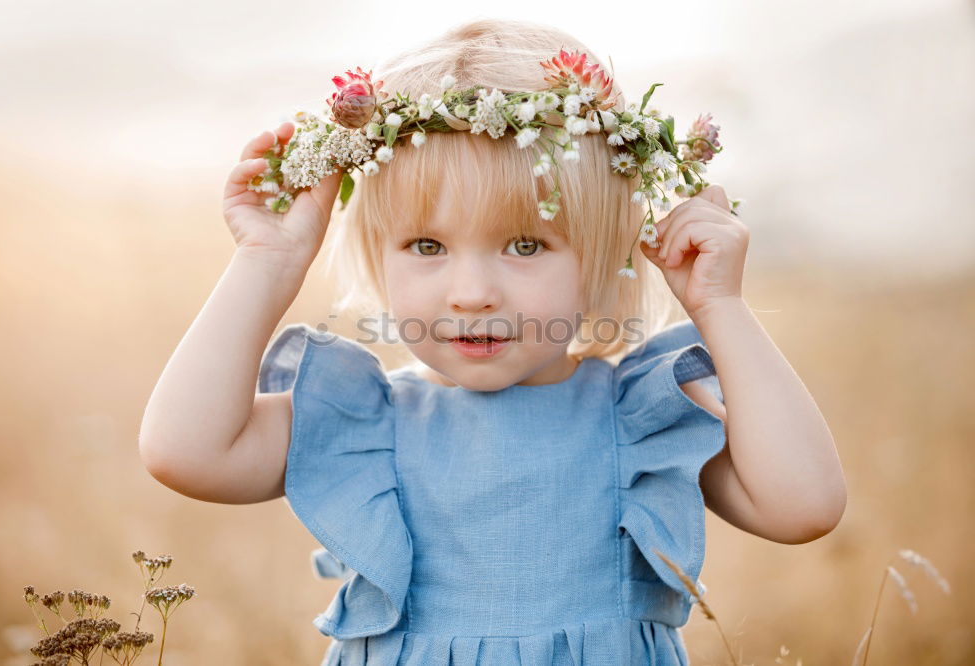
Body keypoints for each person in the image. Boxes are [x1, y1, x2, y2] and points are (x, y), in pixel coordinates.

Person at [138, 18, 847, 665]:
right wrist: (266, 265)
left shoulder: (634, 420)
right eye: (426, 244)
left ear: (607, 260)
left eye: (524, 244)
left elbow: (804, 506)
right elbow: (184, 452)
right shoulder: (371, 425)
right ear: (379, 258)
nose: (470, 290)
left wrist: (720, 305)